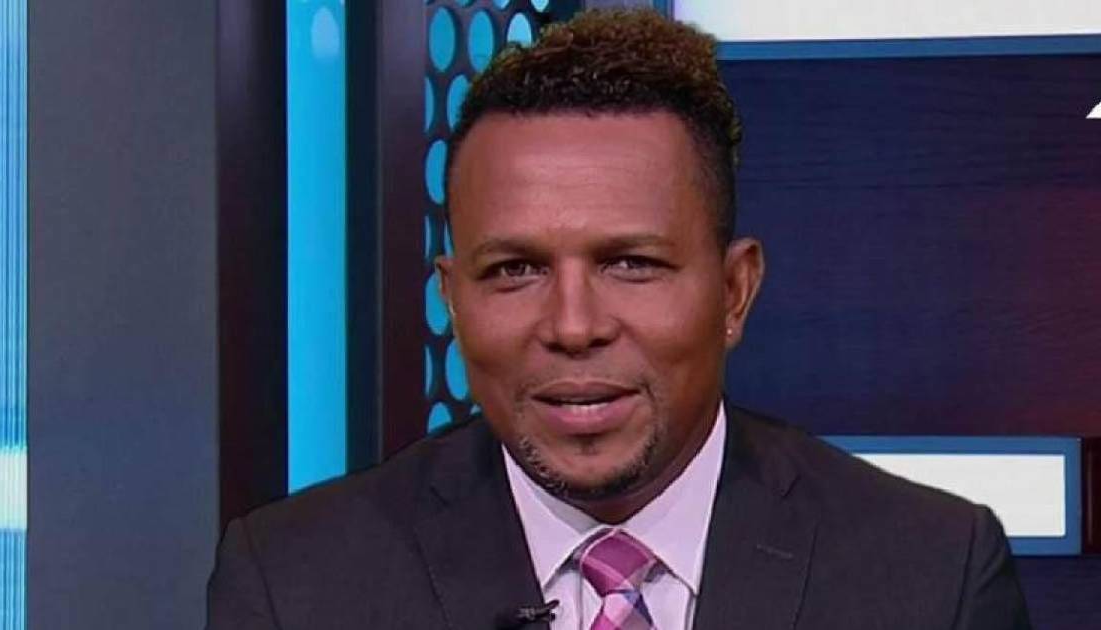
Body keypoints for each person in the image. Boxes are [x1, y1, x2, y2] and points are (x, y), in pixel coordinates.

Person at [206, 9, 1031, 629]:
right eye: (515, 270)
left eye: (631, 264)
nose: (573, 326)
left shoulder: (932, 577)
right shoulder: (293, 584)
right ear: (452, 299)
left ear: (734, 291)